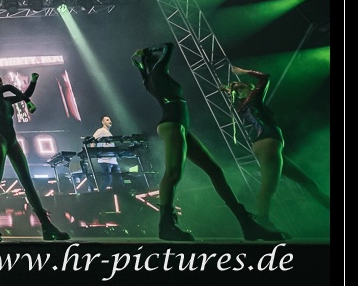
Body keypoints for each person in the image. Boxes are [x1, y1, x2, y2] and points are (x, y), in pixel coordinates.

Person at [131, 42, 286, 242]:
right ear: (155, 63)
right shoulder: (158, 73)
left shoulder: (149, 80)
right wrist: (146, 51)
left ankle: (247, 224)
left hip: (178, 125)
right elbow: (168, 47)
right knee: (173, 173)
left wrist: (142, 63)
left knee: (215, 171)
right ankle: (166, 226)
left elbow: (148, 67)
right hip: (173, 124)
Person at [222, 66, 330, 230]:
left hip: (268, 145)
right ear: (248, 90)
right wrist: (242, 72)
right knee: (268, 187)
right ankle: (264, 224)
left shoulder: (245, 105)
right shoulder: (252, 100)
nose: (254, 88)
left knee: (309, 184)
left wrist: (231, 87)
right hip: (268, 144)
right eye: (250, 87)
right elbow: (265, 77)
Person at [0, 73, 70, 241]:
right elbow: (10, 88)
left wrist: (33, 82)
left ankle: (46, 226)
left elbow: (24, 94)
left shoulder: (6, 101)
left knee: (27, 181)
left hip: (12, 139)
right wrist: (28, 102)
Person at [92, 115, 122, 191]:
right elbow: (92, 140)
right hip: (104, 160)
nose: (110, 121)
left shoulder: (109, 133)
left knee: (119, 179)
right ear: (103, 122)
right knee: (108, 179)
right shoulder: (101, 130)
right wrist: (94, 151)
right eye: (107, 120)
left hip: (113, 160)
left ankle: (121, 194)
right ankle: (100, 194)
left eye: (110, 120)